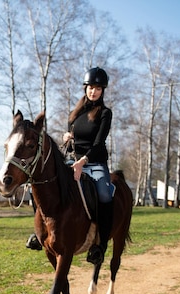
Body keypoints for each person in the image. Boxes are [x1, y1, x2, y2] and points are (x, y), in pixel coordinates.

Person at [27, 67, 114, 265]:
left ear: (102, 91)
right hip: (71, 160)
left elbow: (99, 143)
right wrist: (67, 137)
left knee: (104, 194)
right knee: (40, 185)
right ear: (85, 88)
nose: (94, 91)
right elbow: (72, 138)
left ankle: (99, 246)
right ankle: (39, 234)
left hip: (94, 162)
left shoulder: (105, 114)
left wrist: (84, 161)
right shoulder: (75, 114)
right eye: (91, 87)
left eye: (98, 88)